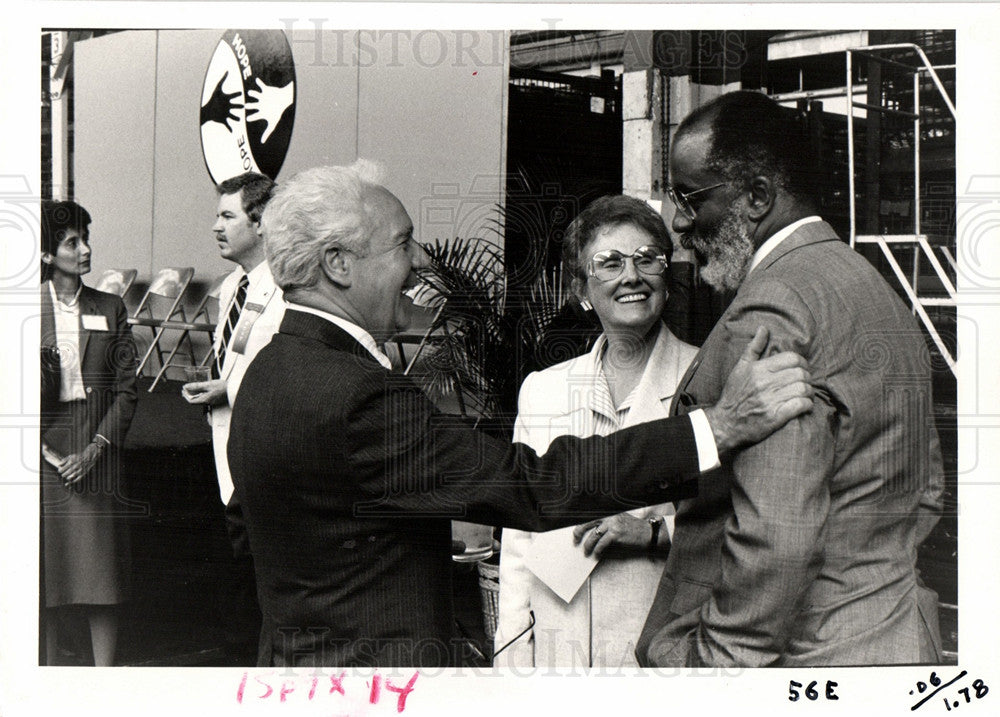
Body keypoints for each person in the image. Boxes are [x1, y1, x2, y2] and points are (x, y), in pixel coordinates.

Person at [226, 160, 813, 668]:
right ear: (338, 264)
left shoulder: (267, 373)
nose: (422, 261)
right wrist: (716, 427)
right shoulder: (358, 395)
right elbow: (531, 486)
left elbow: (247, 525)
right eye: (404, 243)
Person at [635, 90, 945, 668]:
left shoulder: (774, 307)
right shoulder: (869, 286)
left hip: (808, 665)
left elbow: (779, 536)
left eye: (689, 197)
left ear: (756, 196)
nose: (678, 222)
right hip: (896, 639)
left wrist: (713, 667)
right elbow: (926, 488)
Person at [495, 195, 698, 667]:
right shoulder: (544, 390)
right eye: (608, 263)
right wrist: (512, 655)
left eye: (647, 259)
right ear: (582, 290)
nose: (631, 276)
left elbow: (734, 522)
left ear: (666, 279)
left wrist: (652, 533)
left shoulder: (705, 378)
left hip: (660, 653)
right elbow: (518, 538)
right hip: (555, 654)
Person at [181, 172, 285, 664]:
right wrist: (219, 384)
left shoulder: (289, 288)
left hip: (267, 456)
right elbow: (239, 359)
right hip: (225, 449)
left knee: (266, 582)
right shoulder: (229, 289)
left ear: (261, 221)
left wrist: (230, 387)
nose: (216, 227)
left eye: (227, 216)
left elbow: (284, 373)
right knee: (240, 580)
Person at [40, 200, 138, 665]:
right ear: (46, 254)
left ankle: (104, 679)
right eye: (71, 242)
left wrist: (96, 449)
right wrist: (46, 454)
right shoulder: (20, 309)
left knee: (102, 575)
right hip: (41, 449)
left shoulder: (110, 307)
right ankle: (49, 673)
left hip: (96, 441)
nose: (85, 250)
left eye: (85, 239)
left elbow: (127, 390)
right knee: (47, 574)